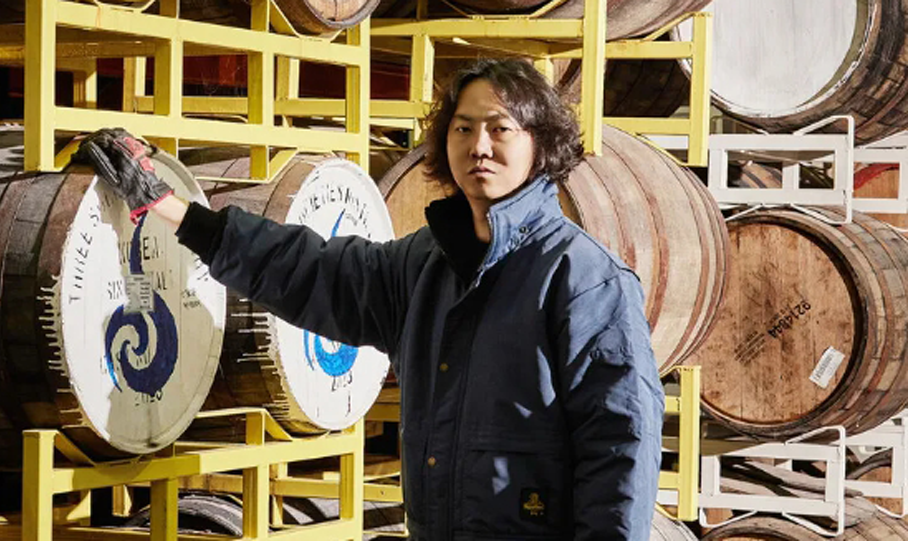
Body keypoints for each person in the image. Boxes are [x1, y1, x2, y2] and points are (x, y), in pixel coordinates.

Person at [79, 58, 665, 540]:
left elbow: (621, 452)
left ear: (540, 143)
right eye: (463, 128)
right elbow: (312, 270)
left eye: (500, 128)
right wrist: (178, 213)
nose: (479, 146)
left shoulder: (584, 280)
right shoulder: (428, 265)